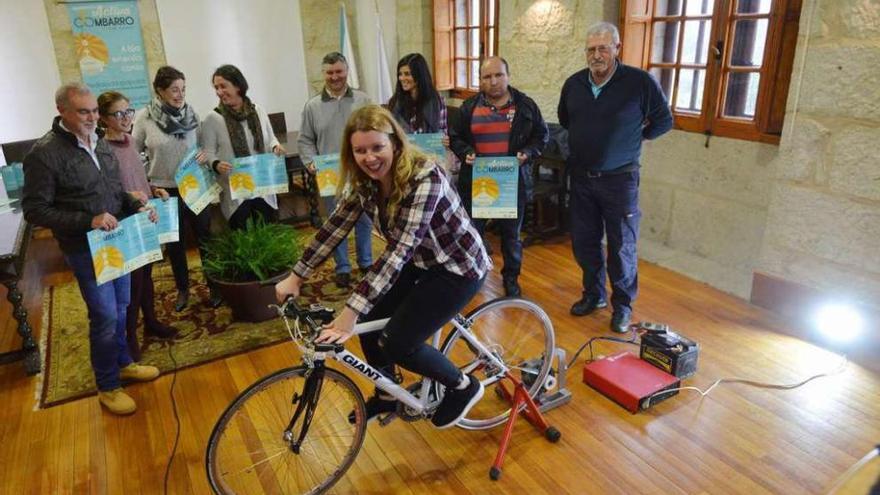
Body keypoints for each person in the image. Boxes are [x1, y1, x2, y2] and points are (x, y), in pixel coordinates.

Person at [276, 105, 491, 428]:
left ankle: (463, 386)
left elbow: (399, 251)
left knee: (399, 342)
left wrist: (348, 314)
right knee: (371, 317)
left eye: (378, 147)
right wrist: (296, 276)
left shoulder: (425, 176)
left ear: (395, 143)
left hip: (458, 267)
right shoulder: (364, 182)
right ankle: (388, 395)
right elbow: (335, 227)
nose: (370, 157)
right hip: (421, 259)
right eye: (360, 151)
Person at [23, 83, 160, 415]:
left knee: (124, 305)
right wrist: (90, 220)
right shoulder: (44, 154)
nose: (92, 117)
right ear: (62, 112)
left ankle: (125, 363)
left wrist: (136, 206)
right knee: (104, 315)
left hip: (118, 241)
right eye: (84, 111)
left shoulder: (100, 142)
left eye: (95, 111)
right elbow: (35, 210)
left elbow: (113, 192)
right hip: (85, 248)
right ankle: (108, 385)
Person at [558, 22, 672, 333]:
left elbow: (664, 120)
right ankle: (593, 295)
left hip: (620, 181)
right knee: (584, 242)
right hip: (581, 178)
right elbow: (566, 120)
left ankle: (622, 305)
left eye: (603, 48)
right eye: (591, 49)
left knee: (621, 247)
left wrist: (636, 138)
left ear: (617, 49)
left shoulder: (639, 82)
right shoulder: (574, 84)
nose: (597, 55)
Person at [449, 56, 549, 298]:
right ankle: (475, 276)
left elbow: (542, 136)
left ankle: (511, 278)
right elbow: (455, 137)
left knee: (511, 237)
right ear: (480, 80)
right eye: (487, 77)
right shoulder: (469, 107)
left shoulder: (525, 106)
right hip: (476, 182)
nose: (493, 81)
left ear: (508, 76)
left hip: (511, 182)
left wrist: (527, 152)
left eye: (498, 75)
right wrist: (466, 153)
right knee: (473, 233)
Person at [98, 90, 178, 362]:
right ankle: (129, 336)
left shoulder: (131, 141)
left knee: (147, 275)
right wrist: (131, 197)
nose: (125, 118)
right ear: (104, 118)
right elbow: (109, 189)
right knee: (131, 283)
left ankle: (152, 322)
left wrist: (153, 190)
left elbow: (138, 176)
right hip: (124, 220)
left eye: (128, 111)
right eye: (117, 114)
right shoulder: (101, 149)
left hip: (146, 215)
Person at [133, 65, 221, 311]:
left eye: (183, 89)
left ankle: (214, 285)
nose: (180, 94)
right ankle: (183, 289)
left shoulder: (191, 114)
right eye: (174, 89)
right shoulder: (145, 118)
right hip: (164, 191)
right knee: (176, 243)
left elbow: (203, 145)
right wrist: (147, 179)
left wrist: (204, 154)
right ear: (160, 91)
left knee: (205, 237)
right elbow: (133, 152)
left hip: (194, 187)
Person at [297, 52, 373, 289]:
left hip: (362, 172)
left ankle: (366, 262)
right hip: (330, 178)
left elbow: (376, 131)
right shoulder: (312, 106)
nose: (334, 77)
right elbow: (305, 140)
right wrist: (310, 162)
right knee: (335, 223)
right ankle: (342, 268)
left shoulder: (363, 101)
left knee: (365, 220)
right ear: (323, 74)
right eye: (329, 72)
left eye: (339, 71)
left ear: (347, 71)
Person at [201, 64, 285, 229]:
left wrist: (276, 147)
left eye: (223, 86)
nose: (219, 92)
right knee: (244, 241)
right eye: (216, 87)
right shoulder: (213, 118)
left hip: (262, 186)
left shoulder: (258, 111)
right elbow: (208, 152)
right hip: (236, 192)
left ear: (238, 85)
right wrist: (216, 164)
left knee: (268, 234)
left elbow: (271, 139)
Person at [387, 53, 447, 135]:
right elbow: (388, 133)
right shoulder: (394, 102)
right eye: (400, 74)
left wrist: (444, 138)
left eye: (407, 74)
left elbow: (442, 130)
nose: (402, 78)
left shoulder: (437, 100)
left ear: (419, 75)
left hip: (428, 147)